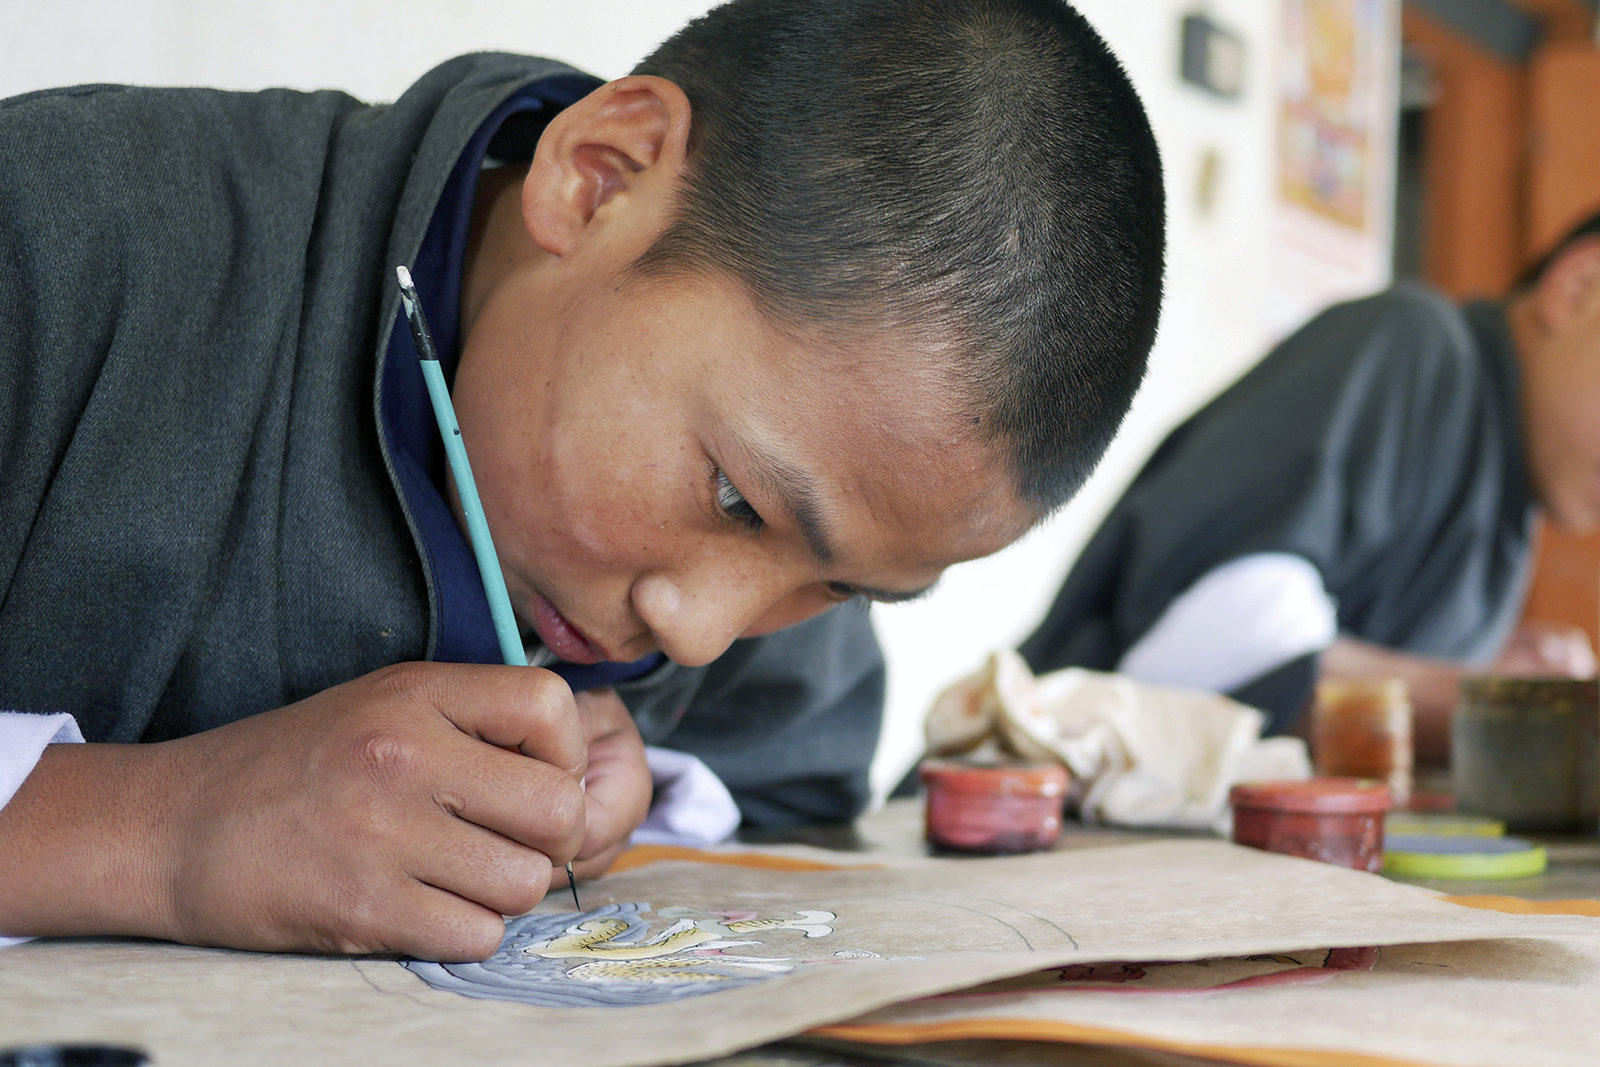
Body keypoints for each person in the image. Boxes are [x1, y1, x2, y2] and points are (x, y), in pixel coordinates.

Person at [0, 0, 1165, 960]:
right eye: (731, 498)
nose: (702, 634)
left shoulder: (817, 513)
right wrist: (161, 832)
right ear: (599, 179)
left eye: (843, 586)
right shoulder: (56, 235)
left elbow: (787, 795)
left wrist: (640, 786)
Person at [1020, 211, 1600, 766]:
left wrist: (1495, 679)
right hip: (1033, 806)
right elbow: (1210, 648)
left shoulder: (1509, 511)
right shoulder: (1416, 346)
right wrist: (1524, 708)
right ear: (1579, 288)